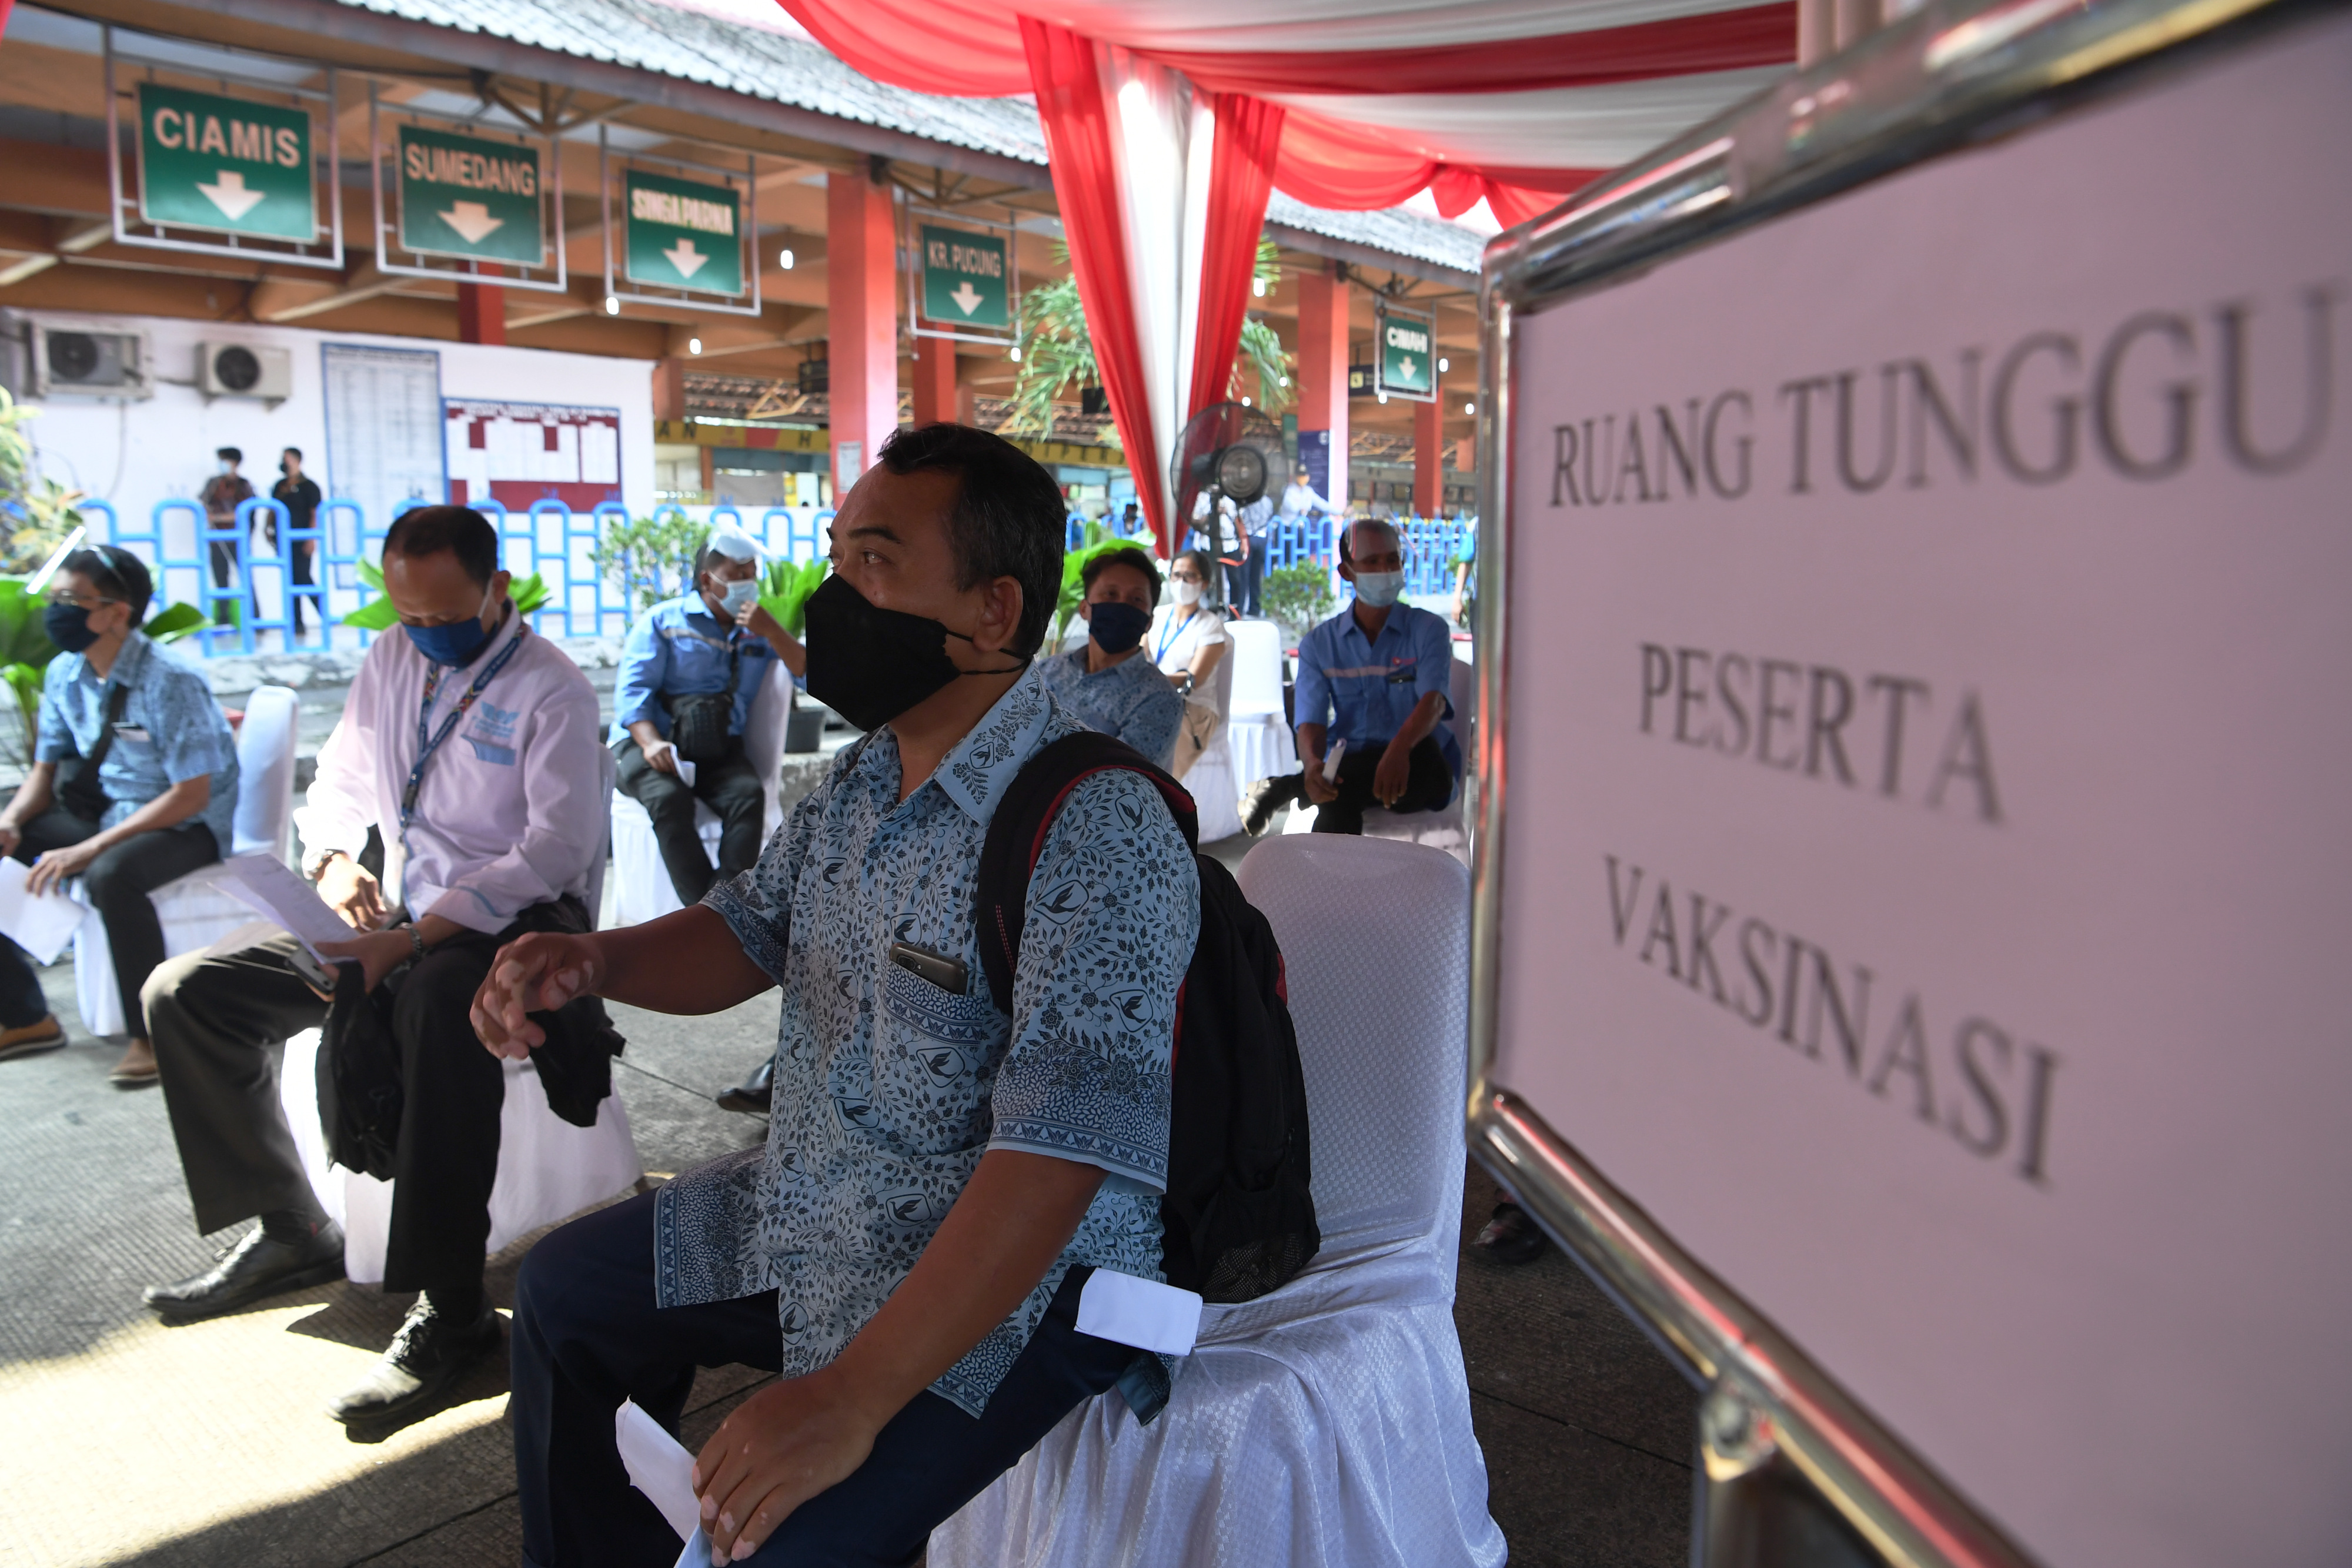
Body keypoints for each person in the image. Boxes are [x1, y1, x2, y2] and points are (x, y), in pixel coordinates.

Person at [482, 422, 1199, 1568]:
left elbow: (1056, 1159)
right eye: (833, 553)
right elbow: (745, 929)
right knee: (565, 1299)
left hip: (1025, 1282)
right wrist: (597, 961)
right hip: (819, 1207)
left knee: (780, 1535)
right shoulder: (860, 775)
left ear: (993, 610)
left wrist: (850, 1395)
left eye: (873, 559)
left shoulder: (1096, 823)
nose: (828, 592)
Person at [138, 504, 613, 1429]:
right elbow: (342, 782)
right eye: (409, 617)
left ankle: (454, 1304)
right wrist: (331, 859)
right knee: (187, 992)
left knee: (439, 1005)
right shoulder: (393, 657)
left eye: (445, 617)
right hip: (382, 910)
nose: (426, 636)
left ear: (496, 588)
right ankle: (291, 1225)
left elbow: (552, 849)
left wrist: (422, 934)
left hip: (493, 921)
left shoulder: (552, 689)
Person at [0, 547, 239, 1083]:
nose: (55, 609)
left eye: (71, 599)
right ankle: (25, 1017)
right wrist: (12, 820)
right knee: (8, 845)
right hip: (111, 813)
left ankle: (151, 1035)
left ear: (117, 611)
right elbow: (46, 772)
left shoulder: (170, 680)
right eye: (55, 596)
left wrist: (89, 849)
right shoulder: (65, 673)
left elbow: (190, 795)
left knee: (114, 876)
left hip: (185, 824)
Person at [612, 527, 804, 910]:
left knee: (748, 795)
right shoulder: (663, 621)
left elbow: (809, 674)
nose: (748, 583)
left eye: (752, 574)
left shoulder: (757, 635)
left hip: (718, 749)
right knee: (669, 800)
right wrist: (650, 742)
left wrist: (772, 630)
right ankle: (707, 914)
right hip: (655, 743)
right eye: (738, 575)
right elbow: (634, 693)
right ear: (708, 579)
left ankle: (720, 908)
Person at [1240, 518, 1461, 835]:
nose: (1385, 570)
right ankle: (1337, 878)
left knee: (1365, 778)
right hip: (1351, 762)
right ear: (1347, 572)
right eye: (1372, 562)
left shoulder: (1428, 630)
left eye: (1392, 560)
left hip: (1419, 764)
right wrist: (1314, 765)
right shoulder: (1319, 644)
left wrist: (1398, 750)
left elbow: (1434, 702)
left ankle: (1286, 788)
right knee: (1336, 791)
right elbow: (1310, 719)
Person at [1035, 545, 1182, 769]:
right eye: (1110, 594)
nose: (1122, 605)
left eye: (1136, 599)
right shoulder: (1044, 672)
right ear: (1085, 608)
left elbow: (1117, 780)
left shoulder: (1159, 699)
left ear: (1149, 621)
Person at [1146, 549, 1231, 780]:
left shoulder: (1211, 626)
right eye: (1176, 575)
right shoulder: (1156, 616)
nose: (1181, 582)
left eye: (1190, 576)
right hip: (1153, 699)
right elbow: (1139, 654)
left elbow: (1194, 679)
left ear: (1204, 584)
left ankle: (1155, 791)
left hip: (1193, 709)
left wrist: (1148, 680)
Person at [270, 447, 323, 636]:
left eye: (287, 459)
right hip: (283, 540)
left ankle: (325, 614)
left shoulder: (310, 486)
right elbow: (272, 509)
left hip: (301, 539)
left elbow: (314, 513)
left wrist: (312, 538)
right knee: (290, 580)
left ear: (297, 460)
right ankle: (297, 623)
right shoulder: (279, 486)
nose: (284, 462)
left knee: (303, 578)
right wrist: (267, 529)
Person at [198, 447, 253, 624]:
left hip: (238, 538)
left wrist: (219, 517)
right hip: (216, 537)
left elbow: (245, 511)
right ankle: (223, 619)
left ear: (234, 462)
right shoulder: (214, 483)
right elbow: (203, 502)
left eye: (224, 460)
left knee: (246, 578)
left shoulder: (243, 485)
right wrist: (209, 515)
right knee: (221, 579)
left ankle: (254, 618)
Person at [1232, 492, 1274, 617]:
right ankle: (1255, 608)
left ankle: (1240, 608)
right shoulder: (1268, 501)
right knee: (1256, 577)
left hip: (1248, 539)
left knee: (1243, 576)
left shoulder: (1247, 501)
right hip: (1262, 539)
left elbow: (1240, 518)